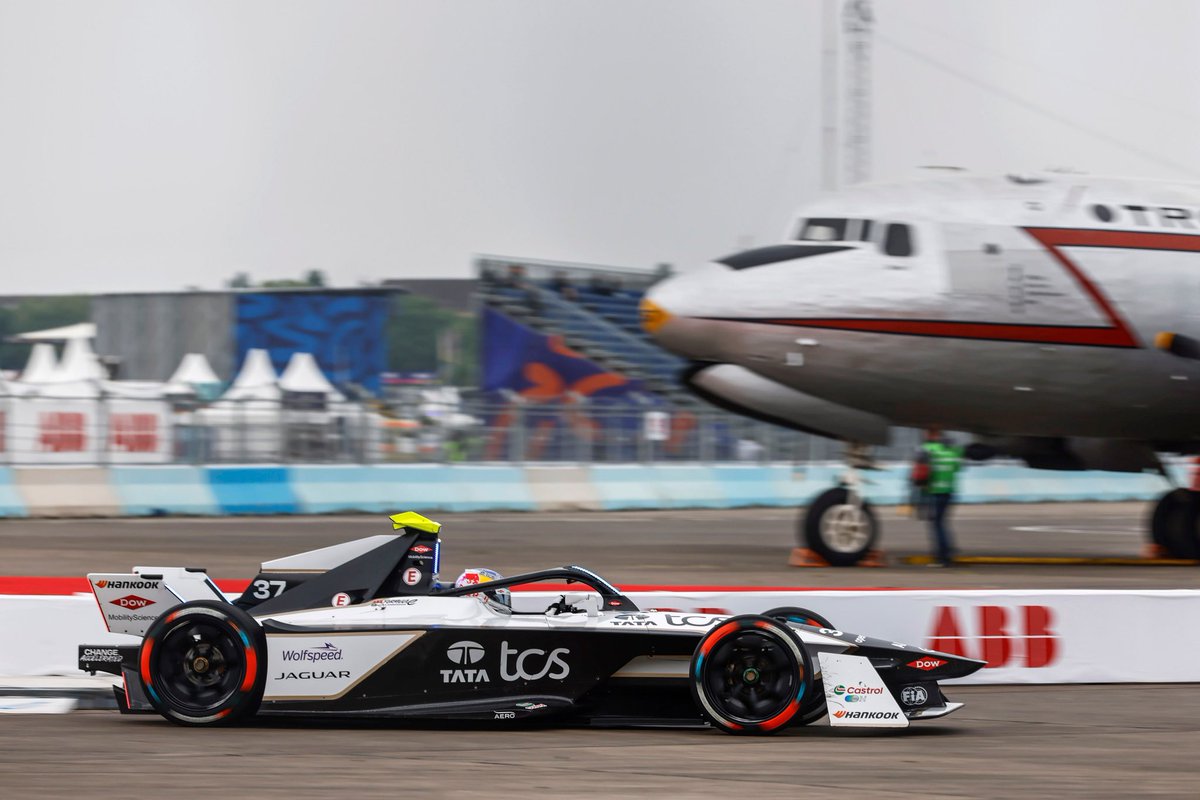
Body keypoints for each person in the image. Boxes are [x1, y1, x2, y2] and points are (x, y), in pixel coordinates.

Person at [916, 426, 964, 567]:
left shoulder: (927, 449)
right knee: (943, 523)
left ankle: (942, 557)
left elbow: (921, 472)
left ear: (930, 434)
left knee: (936, 525)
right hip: (949, 491)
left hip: (933, 491)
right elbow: (957, 468)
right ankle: (948, 551)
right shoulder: (953, 450)